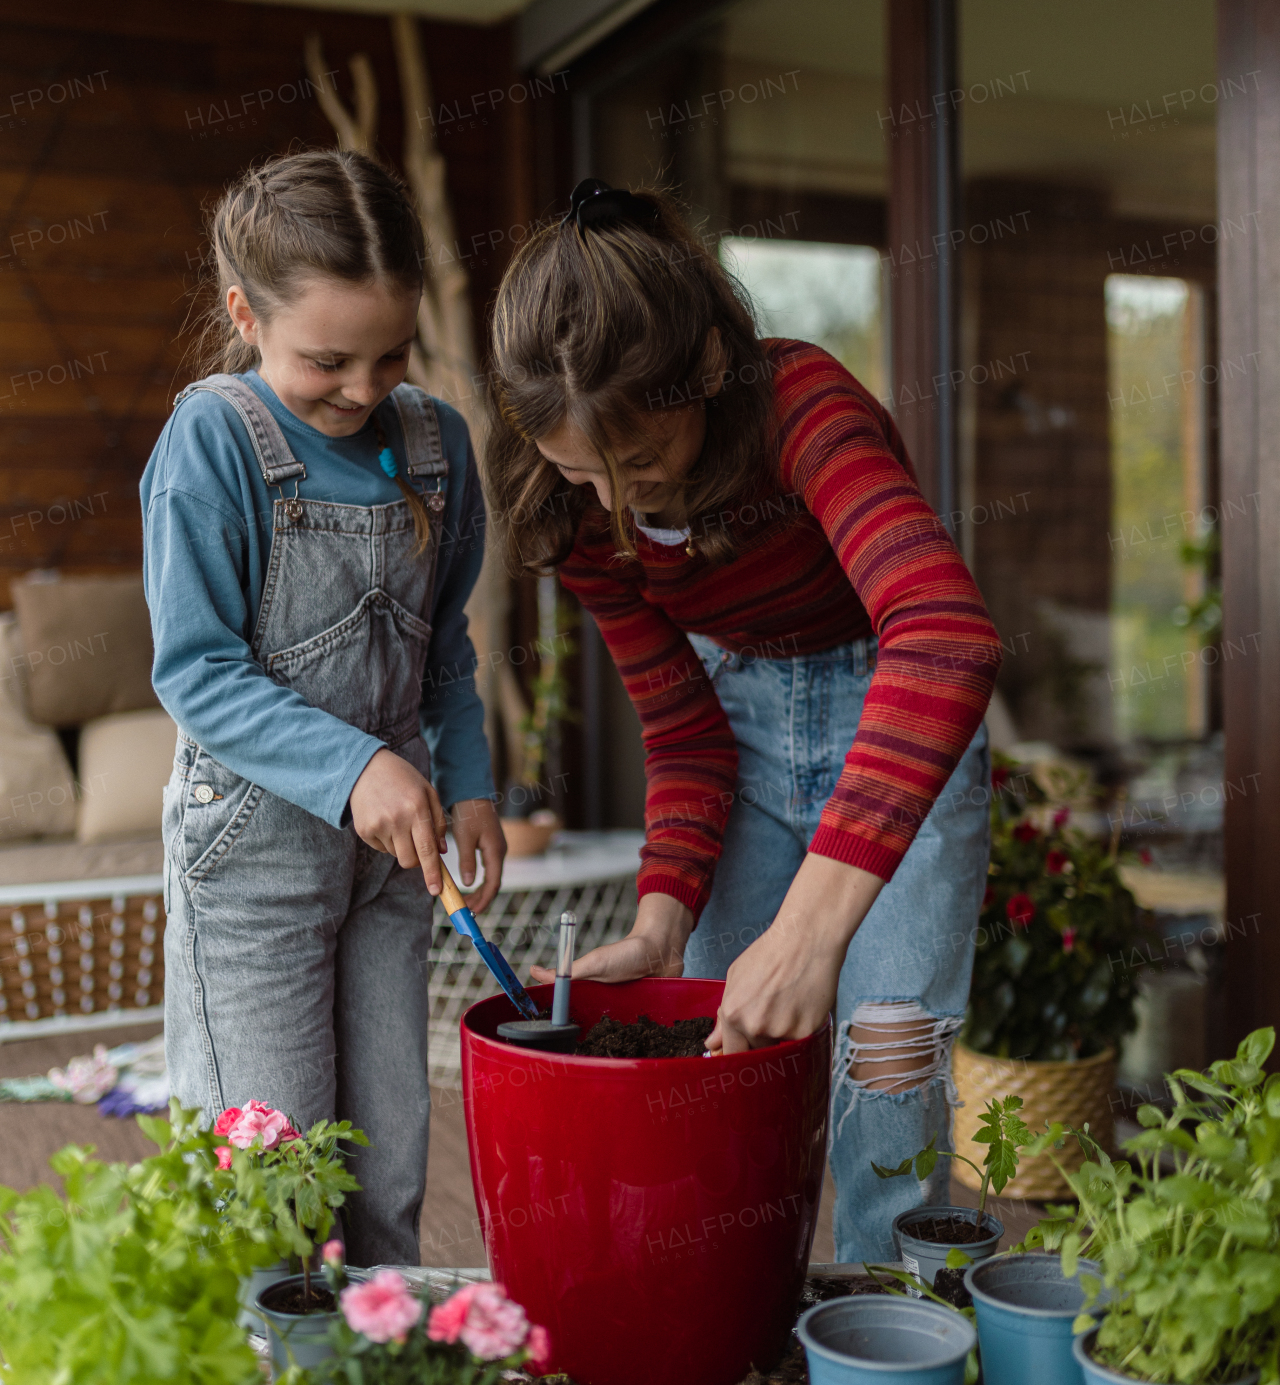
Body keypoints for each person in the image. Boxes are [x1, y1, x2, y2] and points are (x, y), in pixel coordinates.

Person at [484, 179, 1000, 1261]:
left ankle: (887, 1325)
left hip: (892, 721)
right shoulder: (574, 514)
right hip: (746, 732)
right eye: (583, 472)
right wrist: (661, 919)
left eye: (636, 465)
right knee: (717, 1056)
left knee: (882, 1053)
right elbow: (682, 734)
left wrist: (809, 930)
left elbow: (943, 640)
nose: (612, 502)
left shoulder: (800, 405)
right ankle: (736, 1312)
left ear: (707, 370)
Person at [142, 149, 505, 1265]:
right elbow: (196, 672)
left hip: (393, 858)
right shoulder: (214, 444)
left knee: (388, 1152)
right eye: (325, 360)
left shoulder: (437, 445)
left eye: (388, 353)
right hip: (253, 858)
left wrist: (470, 781)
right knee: (269, 1161)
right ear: (246, 316)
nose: (360, 388)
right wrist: (355, 768)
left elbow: (443, 648)